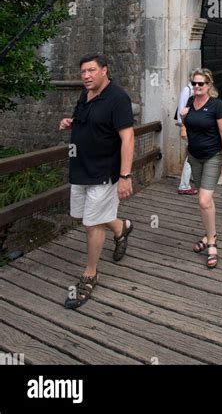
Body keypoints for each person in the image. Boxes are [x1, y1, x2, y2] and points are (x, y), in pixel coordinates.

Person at [59, 53, 134, 309]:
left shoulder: (118, 98)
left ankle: (90, 274)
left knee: (92, 224)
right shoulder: (85, 94)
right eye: (83, 72)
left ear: (105, 69)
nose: (86, 76)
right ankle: (120, 227)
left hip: (104, 172)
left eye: (91, 70)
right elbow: (89, 122)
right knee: (85, 216)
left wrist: (125, 176)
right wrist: (70, 123)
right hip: (80, 168)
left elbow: (128, 138)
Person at [180, 69, 222, 269]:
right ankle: (210, 233)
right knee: (205, 201)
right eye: (194, 83)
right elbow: (186, 129)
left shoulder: (217, 106)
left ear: (209, 85)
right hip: (194, 157)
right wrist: (184, 120)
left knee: (203, 200)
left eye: (201, 84)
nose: (197, 87)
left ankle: (211, 243)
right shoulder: (190, 104)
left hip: (213, 157)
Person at [176, 74, 198, 195]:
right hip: (189, 128)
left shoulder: (195, 91)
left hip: (195, 129)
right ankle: (184, 185)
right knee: (191, 157)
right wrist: (182, 127)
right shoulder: (187, 90)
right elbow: (182, 109)